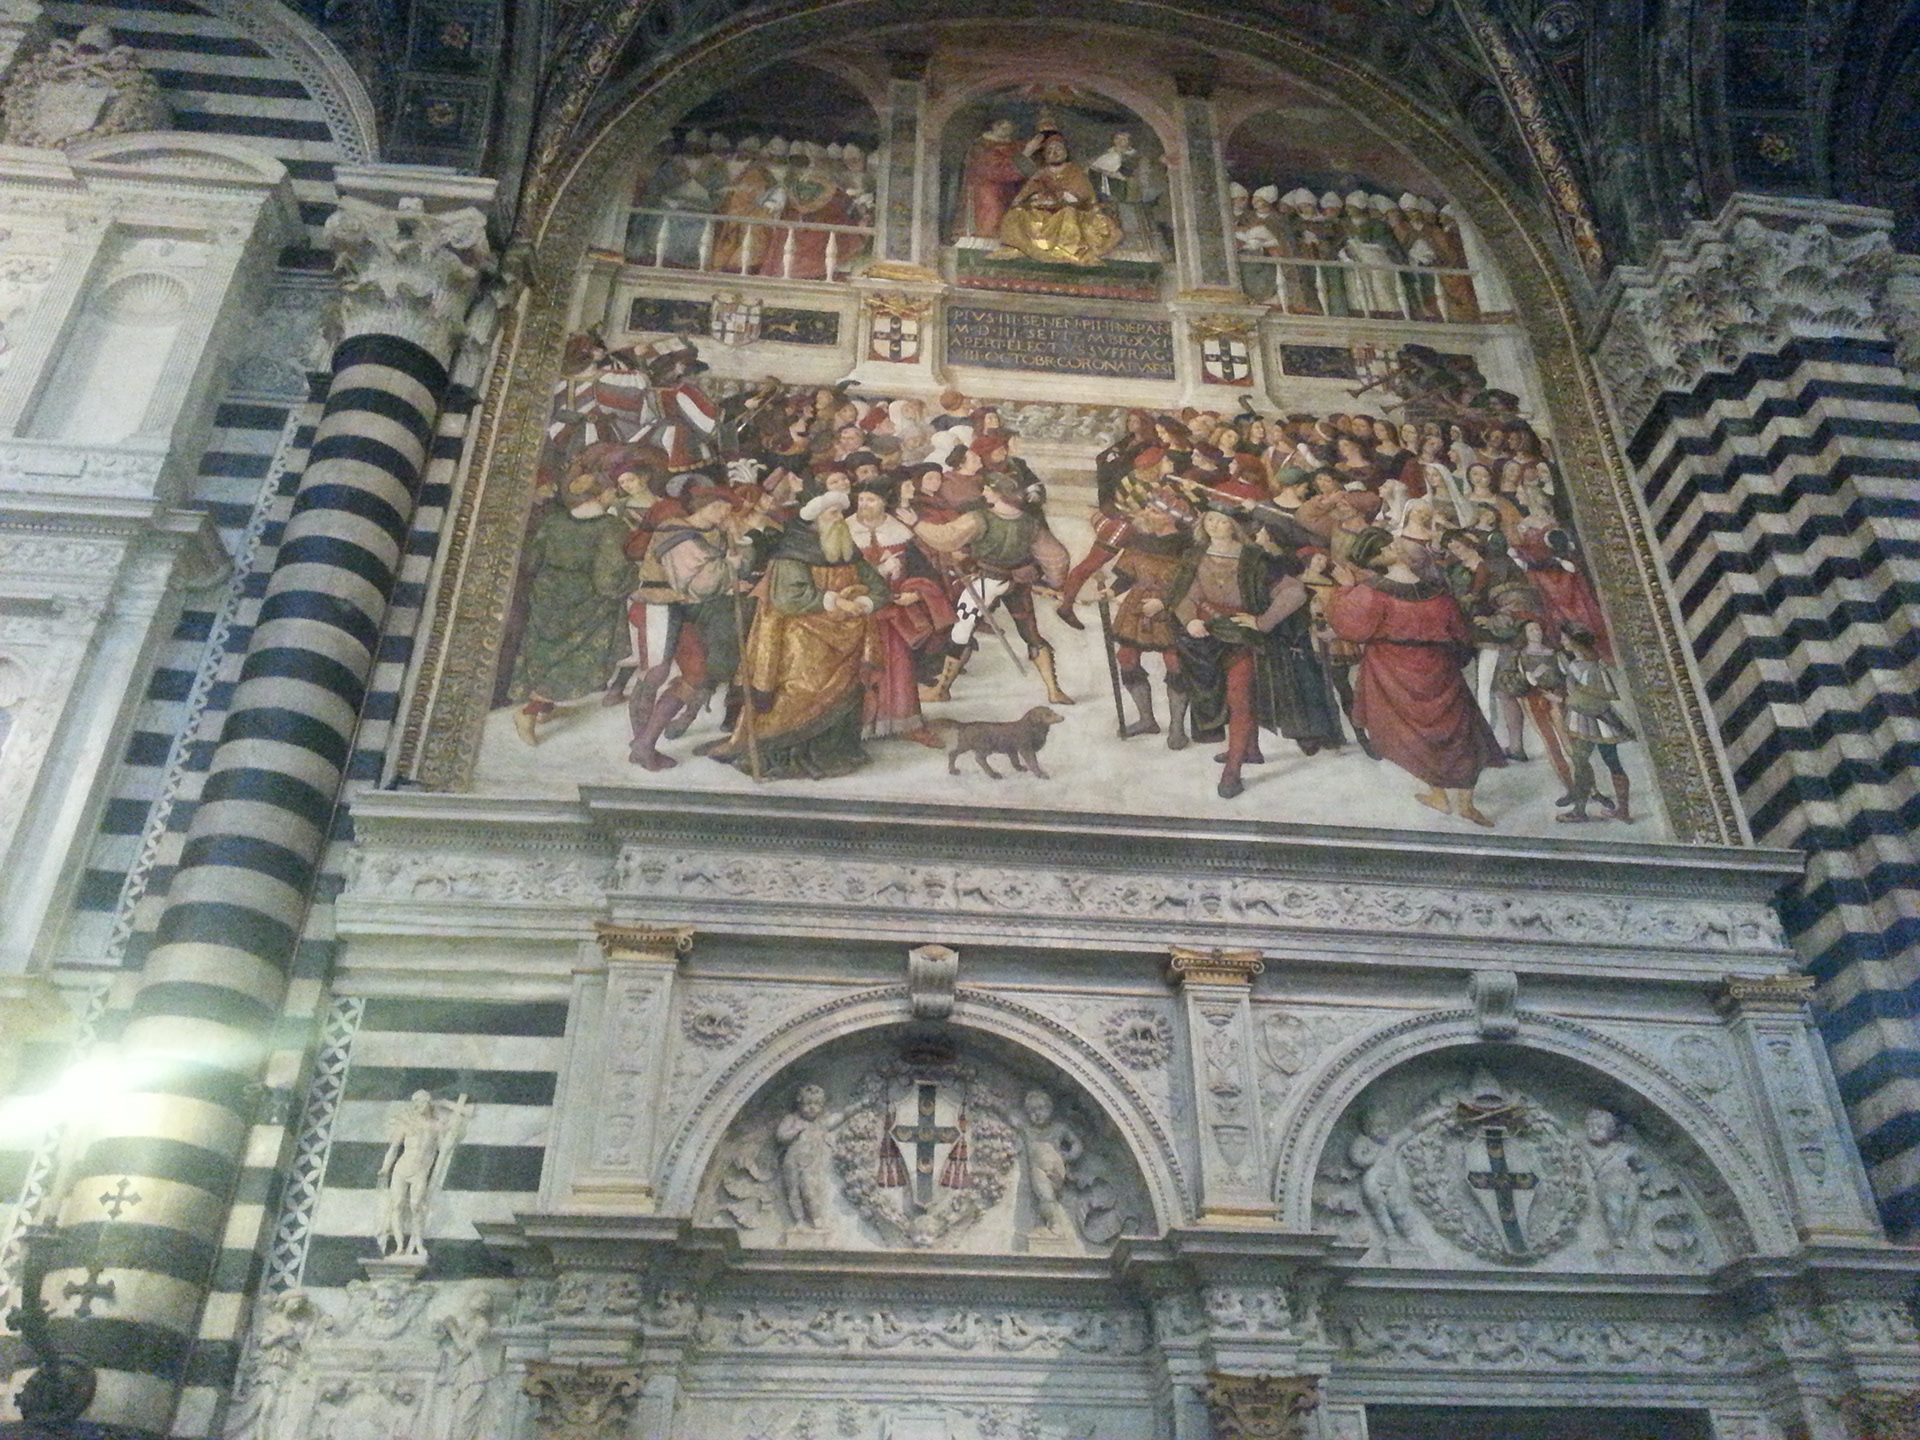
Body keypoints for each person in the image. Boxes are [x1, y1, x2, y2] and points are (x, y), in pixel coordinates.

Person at [705, 490, 891, 780]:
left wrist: (864, 602)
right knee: (798, 695)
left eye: (841, 513)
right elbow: (789, 597)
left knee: (845, 695)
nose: (840, 519)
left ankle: (833, 752)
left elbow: (878, 587)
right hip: (802, 641)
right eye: (833, 514)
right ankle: (786, 754)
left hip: (846, 642)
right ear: (816, 519)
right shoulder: (793, 553)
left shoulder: (846, 550)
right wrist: (835, 601)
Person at [1326, 536, 1506, 825]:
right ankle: (1464, 804)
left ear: (1399, 557)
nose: (1382, 550)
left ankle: (1440, 797)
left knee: (1421, 735)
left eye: (1388, 547)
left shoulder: (1374, 592)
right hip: (1440, 668)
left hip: (1393, 668)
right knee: (1457, 731)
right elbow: (1460, 635)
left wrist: (1345, 587)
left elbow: (1349, 625)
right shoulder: (1439, 594)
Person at [1170, 510, 1345, 799]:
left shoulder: (1254, 557)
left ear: (1235, 526)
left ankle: (1232, 772)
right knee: (1222, 696)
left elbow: (1295, 592)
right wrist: (1190, 618)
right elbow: (1185, 594)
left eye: (1223, 520)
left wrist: (1262, 621)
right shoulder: (1195, 554)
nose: (1215, 525)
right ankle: (1249, 749)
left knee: (1240, 698)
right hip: (1206, 637)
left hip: (1244, 637)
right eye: (1210, 519)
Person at [908, 473, 1075, 706]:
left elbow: (945, 538)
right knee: (1031, 635)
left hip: (984, 583)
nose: (984, 491)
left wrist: (915, 523)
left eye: (988, 489)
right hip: (1015, 584)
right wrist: (1051, 582)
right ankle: (1054, 691)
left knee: (960, 633)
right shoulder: (1030, 523)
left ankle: (941, 690)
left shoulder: (979, 518)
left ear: (1000, 494)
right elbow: (1057, 557)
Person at [992, 126, 1123, 267]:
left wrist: (1066, 197)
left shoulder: (1074, 170)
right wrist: (1036, 197)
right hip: (1043, 212)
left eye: (1058, 150)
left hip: (1070, 211)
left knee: (1068, 215)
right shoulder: (1041, 173)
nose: (1054, 153)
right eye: (1050, 151)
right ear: (1045, 155)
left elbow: (1084, 194)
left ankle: (1066, 251)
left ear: (1065, 153)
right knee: (1016, 215)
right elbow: (1025, 194)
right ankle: (1031, 248)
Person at [1556, 624, 1635, 822]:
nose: (1562, 642)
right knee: (1609, 763)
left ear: (1575, 642)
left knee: (1582, 761)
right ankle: (1621, 811)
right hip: (1599, 721)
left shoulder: (1586, 667)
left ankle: (1581, 812)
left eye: (1565, 638)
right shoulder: (1588, 663)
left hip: (1590, 720)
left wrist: (1562, 700)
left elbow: (1592, 702)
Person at [957, 117, 1026, 241]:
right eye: (1002, 127)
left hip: (1009, 188)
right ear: (993, 126)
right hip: (986, 188)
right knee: (991, 214)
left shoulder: (1013, 145)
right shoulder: (981, 146)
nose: (1006, 131)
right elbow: (993, 170)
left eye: (1009, 128)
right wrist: (1023, 158)